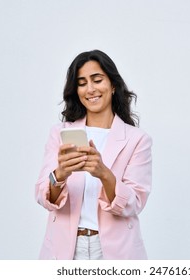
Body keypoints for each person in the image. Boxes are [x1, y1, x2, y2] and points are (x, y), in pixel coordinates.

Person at [35, 50, 152, 260]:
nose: (90, 89)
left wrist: (104, 174)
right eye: (81, 83)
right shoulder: (60, 133)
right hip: (65, 249)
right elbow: (43, 197)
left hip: (115, 252)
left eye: (97, 80)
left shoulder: (137, 139)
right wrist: (60, 174)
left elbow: (135, 204)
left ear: (113, 85)